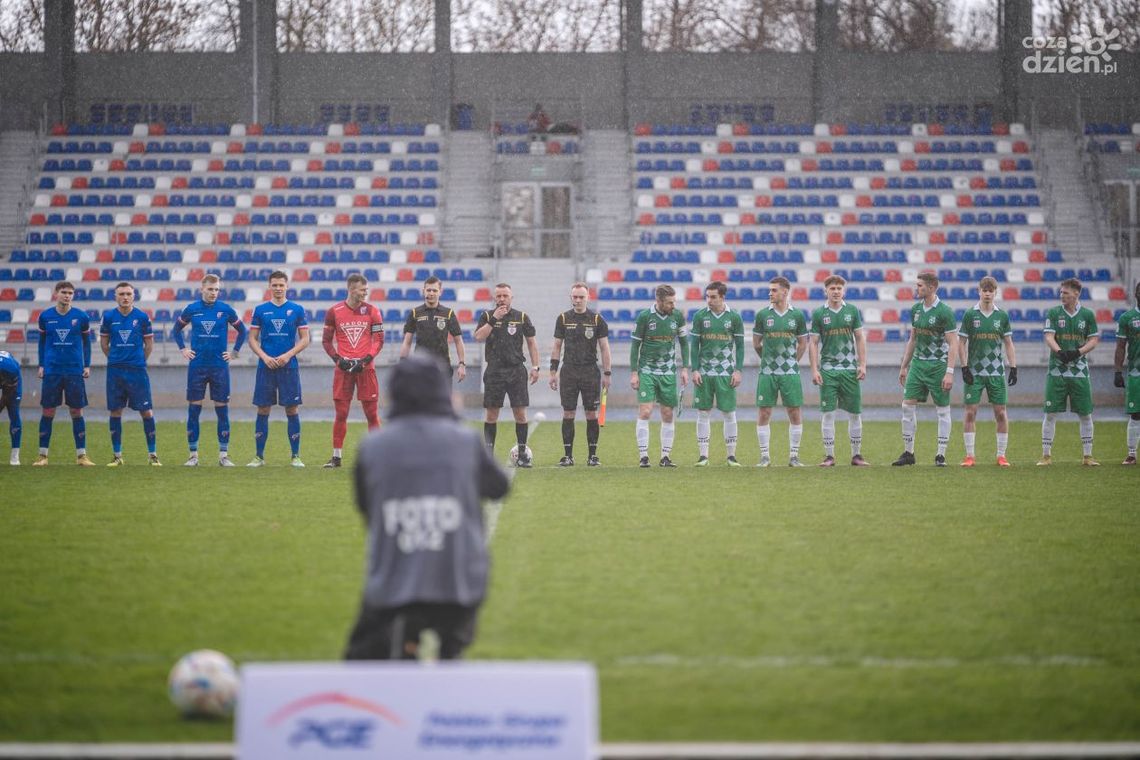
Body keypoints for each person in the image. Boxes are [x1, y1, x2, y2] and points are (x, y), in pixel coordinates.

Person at [344, 354, 510, 661]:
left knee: (367, 657)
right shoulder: (464, 440)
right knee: (451, 655)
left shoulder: (372, 447)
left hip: (395, 580)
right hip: (459, 583)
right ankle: (451, 661)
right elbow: (500, 486)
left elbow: (367, 508)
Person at [172, 274, 247, 467]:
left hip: (219, 367)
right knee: (193, 411)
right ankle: (193, 455)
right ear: (202, 289)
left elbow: (243, 331)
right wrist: (183, 349)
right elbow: (176, 330)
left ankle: (223, 455)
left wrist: (235, 353)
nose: (214, 293)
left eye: (216, 290)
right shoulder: (192, 309)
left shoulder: (225, 309)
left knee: (222, 411)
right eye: (210, 289)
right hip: (197, 367)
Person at [892, 271, 959, 467]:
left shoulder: (945, 312)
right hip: (918, 366)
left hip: (938, 365)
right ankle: (908, 453)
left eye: (920, 285)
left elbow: (953, 344)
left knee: (942, 410)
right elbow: (913, 339)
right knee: (907, 406)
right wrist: (904, 366)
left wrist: (950, 371)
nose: (917, 288)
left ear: (931, 287)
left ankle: (941, 455)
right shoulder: (916, 310)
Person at [247, 270, 310, 467]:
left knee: (291, 409)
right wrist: (264, 357)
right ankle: (259, 456)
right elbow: (252, 339)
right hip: (266, 366)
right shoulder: (260, 310)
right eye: (274, 285)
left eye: (281, 285)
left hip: (288, 366)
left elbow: (306, 339)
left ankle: (296, 456)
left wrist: (287, 355)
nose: (278, 288)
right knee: (263, 408)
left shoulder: (297, 309)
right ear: (269, 286)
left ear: (287, 286)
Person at [321, 273, 385, 468]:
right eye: (362, 289)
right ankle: (336, 457)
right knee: (341, 413)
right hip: (343, 370)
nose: (366, 292)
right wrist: (338, 360)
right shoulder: (334, 311)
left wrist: (366, 360)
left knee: (372, 414)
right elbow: (326, 341)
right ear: (351, 289)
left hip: (366, 369)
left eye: (367, 289)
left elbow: (379, 340)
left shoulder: (373, 311)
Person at [474, 283, 539, 467]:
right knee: (492, 415)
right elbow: (479, 337)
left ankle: (522, 454)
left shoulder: (522, 317)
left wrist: (536, 367)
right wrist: (494, 319)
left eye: (505, 295)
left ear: (512, 297)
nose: (502, 299)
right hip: (494, 370)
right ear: (494, 298)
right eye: (499, 296)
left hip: (516, 370)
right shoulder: (487, 316)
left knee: (520, 413)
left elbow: (532, 343)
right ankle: (487, 457)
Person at [548, 282, 612, 467]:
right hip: (569, 371)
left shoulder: (597, 320)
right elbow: (557, 346)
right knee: (568, 412)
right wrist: (553, 372)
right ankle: (568, 455)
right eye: (575, 297)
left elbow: (605, 348)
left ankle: (592, 456)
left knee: (591, 414)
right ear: (571, 297)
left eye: (581, 297)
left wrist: (607, 373)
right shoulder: (563, 319)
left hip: (590, 372)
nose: (577, 300)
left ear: (588, 298)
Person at [808, 275, 870, 467]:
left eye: (839, 288)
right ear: (825, 291)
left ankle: (856, 455)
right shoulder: (819, 313)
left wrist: (862, 364)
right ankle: (829, 456)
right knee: (828, 413)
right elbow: (814, 342)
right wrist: (814, 369)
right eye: (832, 288)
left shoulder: (852, 311)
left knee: (855, 413)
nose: (835, 291)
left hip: (850, 370)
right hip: (828, 371)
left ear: (844, 291)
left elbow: (860, 338)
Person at [1039, 277, 1100, 466]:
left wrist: (1077, 352)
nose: (1061, 295)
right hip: (1056, 371)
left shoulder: (1088, 315)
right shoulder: (1054, 313)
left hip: (1079, 371)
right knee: (1050, 414)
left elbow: (1094, 340)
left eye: (1065, 292)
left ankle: (1087, 456)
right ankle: (1046, 456)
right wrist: (1059, 352)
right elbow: (1049, 336)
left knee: (1085, 414)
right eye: (1061, 292)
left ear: (1076, 293)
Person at [957, 276, 1017, 467]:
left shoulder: (1002, 316)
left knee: (1000, 412)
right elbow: (961, 342)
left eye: (991, 290)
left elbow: (1008, 343)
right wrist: (964, 366)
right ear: (979, 291)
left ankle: (1001, 455)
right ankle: (970, 456)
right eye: (985, 290)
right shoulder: (970, 315)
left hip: (996, 373)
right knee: (970, 412)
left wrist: (1013, 367)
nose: (988, 293)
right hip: (974, 373)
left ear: (996, 292)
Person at [100, 281, 160, 466]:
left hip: (137, 371)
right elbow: (104, 343)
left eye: (128, 294)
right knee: (115, 411)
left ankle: (152, 455)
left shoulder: (142, 317)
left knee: (146, 412)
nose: (125, 297)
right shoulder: (108, 316)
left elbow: (149, 345)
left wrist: (139, 361)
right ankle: (117, 456)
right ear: (115, 296)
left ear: (134, 296)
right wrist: (116, 359)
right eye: (121, 294)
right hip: (115, 371)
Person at [33, 281, 93, 466]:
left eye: (70, 293)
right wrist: (41, 364)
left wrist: (87, 365)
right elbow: (42, 343)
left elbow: (87, 343)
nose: (67, 296)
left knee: (76, 411)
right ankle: (43, 456)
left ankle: (82, 456)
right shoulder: (45, 316)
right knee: (48, 411)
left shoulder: (81, 316)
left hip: (74, 370)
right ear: (56, 294)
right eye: (64, 292)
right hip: (52, 370)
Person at [630, 284, 690, 468]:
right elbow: (635, 346)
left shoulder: (677, 316)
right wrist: (634, 373)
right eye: (669, 302)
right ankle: (643, 456)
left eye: (674, 301)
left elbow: (684, 343)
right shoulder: (644, 317)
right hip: (647, 371)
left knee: (667, 413)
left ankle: (665, 457)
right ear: (658, 301)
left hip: (668, 372)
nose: (673, 305)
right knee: (646, 411)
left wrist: (685, 368)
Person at [753, 276, 809, 467]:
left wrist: (793, 362)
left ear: (785, 291)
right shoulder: (762, 315)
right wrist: (768, 361)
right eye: (770, 290)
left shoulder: (797, 316)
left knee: (794, 411)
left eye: (774, 290)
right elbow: (756, 343)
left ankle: (794, 456)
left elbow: (803, 343)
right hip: (767, 372)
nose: (770, 293)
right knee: (764, 413)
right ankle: (765, 457)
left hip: (790, 372)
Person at [688, 281, 745, 466]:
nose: (709, 300)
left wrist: (738, 370)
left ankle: (731, 456)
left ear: (722, 297)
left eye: (713, 297)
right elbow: (694, 346)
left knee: (729, 413)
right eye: (707, 296)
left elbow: (741, 346)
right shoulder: (699, 316)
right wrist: (694, 369)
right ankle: (703, 456)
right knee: (703, 413)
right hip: (704, 373)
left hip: (726, 373)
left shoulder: (734, 317)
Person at [399, 275, 467, 383]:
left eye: (434, 290)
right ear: (423, 291)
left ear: (440, 291)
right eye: (428, 290)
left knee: (442, 400)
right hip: (420, 368)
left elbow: (458, 341)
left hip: (442, 368)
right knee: (420, 400)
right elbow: (407, 342)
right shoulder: (415, 313)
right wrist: (402, 364)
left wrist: (462, 364)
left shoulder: (448, 313)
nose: (431, 293)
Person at [1114, 281, 1140, 465]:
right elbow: (1121, 347)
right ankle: (1131, 454)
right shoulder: (1127, 318)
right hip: (1135, 372)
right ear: (1136, 294)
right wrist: (1117, 371)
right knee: (1136, 414)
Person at [0, 349, 22, 466]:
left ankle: (15, 455)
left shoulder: (10, 369)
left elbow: (7, 395)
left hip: (12, 381)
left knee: (13, 413)